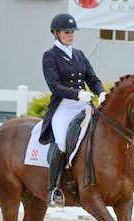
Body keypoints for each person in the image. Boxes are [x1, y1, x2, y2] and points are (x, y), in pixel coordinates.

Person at [40, 13, 106, 206]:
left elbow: (92, 78)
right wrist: (77, 94)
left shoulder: (78, 54)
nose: (71, 35)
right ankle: (53, 189)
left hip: (84, 105)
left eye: (72, 32)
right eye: (67, 32)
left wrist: (100, 92)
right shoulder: (50, 56)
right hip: (63, 106)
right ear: (56, 33)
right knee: (61, 143)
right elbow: (54, 86)